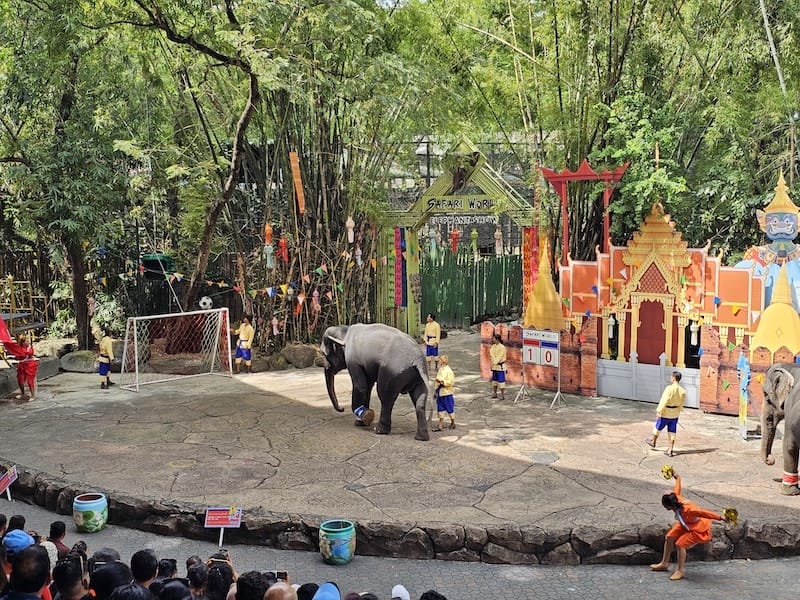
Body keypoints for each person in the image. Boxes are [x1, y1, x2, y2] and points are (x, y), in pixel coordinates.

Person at [649, 471, 730, 581]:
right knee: (669, 537)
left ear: (671, 505)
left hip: (697, 528)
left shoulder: (689, 509)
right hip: (685, 523)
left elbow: (704, 513)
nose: (666, 509)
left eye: (667, 507)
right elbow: (677, 488)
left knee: (680, 544)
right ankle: (664, 563)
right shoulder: (675, 498)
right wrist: (677, 478)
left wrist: (720, 517)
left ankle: (680, 570)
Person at [645, 371, 686, 457]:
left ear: (673, 378)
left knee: (658, 427)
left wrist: (659, 410)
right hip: (674, 414)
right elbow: (682, 403)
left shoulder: (669, 389)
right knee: (672, 431)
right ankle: (670, 449)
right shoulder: (682, 391)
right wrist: (678, 411)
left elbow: (664, 400)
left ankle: (653, 441)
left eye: (671, 377)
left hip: (666, 412)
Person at [10, 335, 37, 401]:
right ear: (23, 342)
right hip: (22, 365)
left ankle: (33, 395)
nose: (28, 342)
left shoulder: (29, 347)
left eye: (28, 341)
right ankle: (23, 393)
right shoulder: (19, 347)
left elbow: (30, 353)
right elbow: (17, 357)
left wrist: (22, 352)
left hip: (30, 365)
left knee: (30, 381)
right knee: (20, 380)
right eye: (26, 341)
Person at [433, 355, 455, 432]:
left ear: (443, 361)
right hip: (440, 392)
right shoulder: (441, 369)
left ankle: (453, 422)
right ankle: (440, 425)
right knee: (440, 409)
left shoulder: (449, 371)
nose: (439, 361)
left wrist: (442, 382)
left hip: (447, 392)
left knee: (449, 408)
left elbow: (451, 382)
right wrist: (435, 391)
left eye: (440, 360)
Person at [489, 334, 507, 400]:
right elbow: (491, 354)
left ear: (497, 339)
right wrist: (493, 363)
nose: (493, 340)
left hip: (500, 366)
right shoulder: (493, 346)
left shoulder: (502, 347)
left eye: (494, 338)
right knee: (494, 381)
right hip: (494, 366)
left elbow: (500, 356)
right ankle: (495, 393)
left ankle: (502, 394)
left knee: (501, 381)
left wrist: (494, 363)